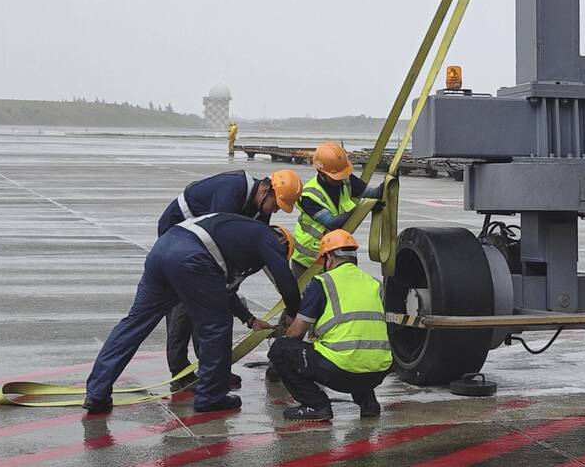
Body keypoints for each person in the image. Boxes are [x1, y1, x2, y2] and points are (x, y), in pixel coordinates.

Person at [83, 213, 302, 413]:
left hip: (162, 250)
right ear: (281, 242)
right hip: (190, 257)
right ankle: (210, 398)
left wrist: (250, 320)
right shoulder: (267, 236)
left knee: (135, 324)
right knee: (216, 327)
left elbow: (225, 291)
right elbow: (286, 281)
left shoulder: (235, 235)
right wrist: (294, 313)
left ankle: (97, 393)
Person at [157, 169, 302, 391]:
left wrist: (252, 319)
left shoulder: (261, 214)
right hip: (177, 240)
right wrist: (293, 307)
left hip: (201, 248)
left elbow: (236, 281)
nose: (275, 210)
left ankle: (212, 371)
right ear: (265, 189)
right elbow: (218, 240)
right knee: (184, 307)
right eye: (276, 204)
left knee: (212, 305)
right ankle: (180, 372)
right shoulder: (231, 190)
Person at [269, 229, 392, 421]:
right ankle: (368, 403)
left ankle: (315, 405)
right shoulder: (374, 284)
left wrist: (289, 327)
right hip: (378, 371)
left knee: (281, 349)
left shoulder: (322, 282)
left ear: (329, 257)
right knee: (359, 349)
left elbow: (295, 334)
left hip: (342, 371)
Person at [291, 142, 383, 279]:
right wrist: (362, 208)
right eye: (336, 176)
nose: (340, 179)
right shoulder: (309, 195)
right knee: (308, 299)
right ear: (321, 172)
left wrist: (388, 183)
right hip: (308, 262)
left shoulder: (345, 179)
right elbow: (332, 223)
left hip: (332, 257)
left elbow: (373, 193)